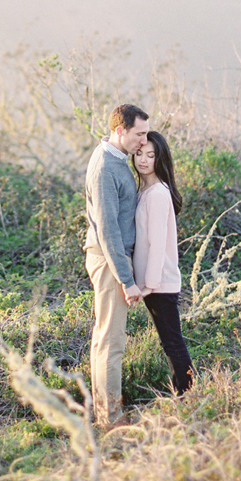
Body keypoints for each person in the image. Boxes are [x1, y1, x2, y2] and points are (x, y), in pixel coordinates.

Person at [84, 103, 150, 428]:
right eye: (139, 133)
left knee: (103, 340)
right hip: (110, 261)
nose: (144, 140)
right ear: (120, 130)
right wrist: (127, 279)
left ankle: (104, 414)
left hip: (111, 259)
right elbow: (108, 230)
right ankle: (111, 419)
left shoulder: (115, 160)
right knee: (112, 343)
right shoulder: (105, 168)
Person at [131, 130, 194, 395]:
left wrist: (149, 284)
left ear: (160, 159)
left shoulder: (157, 193)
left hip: (160, 284)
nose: (143, 160)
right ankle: (187, 393)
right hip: (154, 283)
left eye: (151, 155)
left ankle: (189, 395)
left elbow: (157, 244)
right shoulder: (146, 191)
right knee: (170, 341)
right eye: (139, 154)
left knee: (172, 343)